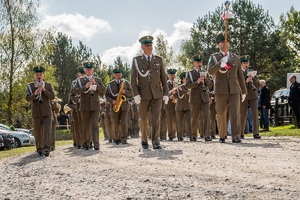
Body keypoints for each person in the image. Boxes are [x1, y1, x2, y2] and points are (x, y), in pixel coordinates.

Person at [130, 35, 169, 149]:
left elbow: (163, 78)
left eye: (150, 45)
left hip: (157, 94)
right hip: (143, 95)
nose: (149, 47)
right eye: (146, 45)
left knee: (156, 118)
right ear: (142, 47)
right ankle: (144, 139)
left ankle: (156, 141)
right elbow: (133, 80)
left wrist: (166, 93)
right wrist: (136, 94)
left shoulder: (158, 60)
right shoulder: (137, 61)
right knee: (143, 119)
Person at [208, 33, 247, 143]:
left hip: (234, 90)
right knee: (221, 113)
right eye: (222, 42)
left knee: (235, 113)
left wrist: (243, 91)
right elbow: (210, 71)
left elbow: (240, 76)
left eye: (226, 42)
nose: (224, 44)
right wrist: (220, 63)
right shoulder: (214, 57)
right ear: (218, 44)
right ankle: (222, 135)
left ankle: (236, 136)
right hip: (220, 90)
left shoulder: (235, 58)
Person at [74, 60, 106, 150]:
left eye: (90, 69)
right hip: (84, 106)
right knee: (85, 125)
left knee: (95, 124)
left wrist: (96, 85)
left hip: (95, 106)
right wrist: (85, 87)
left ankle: (96, 144)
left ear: (93, 70)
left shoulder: (97, 80)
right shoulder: (80, 81)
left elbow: (103, 91)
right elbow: (75, 91)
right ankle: (86, 143)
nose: (89, 71)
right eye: (87, 69)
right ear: (84, 70)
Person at [26, 66, 55, 157]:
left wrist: (44, 90)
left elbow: (52, 97)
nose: (39, 76)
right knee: (38, 131)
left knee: (47, 131)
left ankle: (47, 149)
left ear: (43, 75)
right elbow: (27, 98)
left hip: (46, 112)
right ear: (34, 76)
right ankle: (39, 148)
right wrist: (35, 94)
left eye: (40, 74)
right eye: (37, 74)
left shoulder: (48, 85)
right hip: (36, 112)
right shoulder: (30, 86)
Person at [186, 55, 212, 142]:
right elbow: (188, 85)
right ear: (194, 63)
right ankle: (193, 135)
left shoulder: (205, 72)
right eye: (197, 62)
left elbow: (210, 85)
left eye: (200, 62)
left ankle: (207, 135)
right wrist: (197, 82)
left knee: (206, 116)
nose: (199, 63)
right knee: (194, 117)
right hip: (195, 98)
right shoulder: (190, 73)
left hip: (204, 98)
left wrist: (205, 80)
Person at [105, 67, 132, 144]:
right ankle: (116, 138)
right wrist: (112, 101)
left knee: (124, 123)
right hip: (114, 106)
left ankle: (124, 138)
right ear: (114, 75)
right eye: (116, 74)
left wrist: (125, 91)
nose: (118, 76)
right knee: (115, 123)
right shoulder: (109, 85)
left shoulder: (125, 83)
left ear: (121, 74)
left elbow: (131, 93)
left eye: (119, 74)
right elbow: (106, 96)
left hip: (124, 106)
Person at [239, 55, 261, 139]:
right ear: (241, 64)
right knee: (243, 114)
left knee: (255, 114)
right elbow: (237, 85)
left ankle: (256, 133)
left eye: (247, 63)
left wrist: (254, 78)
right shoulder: (239, 72)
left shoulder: (252, 72)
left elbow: (258, 85)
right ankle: (241, 133)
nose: (246, 64)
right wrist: (245, 81)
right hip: (244, 95)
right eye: (244, 63)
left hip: (253, 95)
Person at [173, 72, 192, 141]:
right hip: (179, 107)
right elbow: (175, 97)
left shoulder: (189, 86)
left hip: (188, 106)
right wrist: (175, 91)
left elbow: (189, 93)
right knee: (179, 122)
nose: (186, 80)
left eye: (187, 78)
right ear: (182, 79)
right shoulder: (178, 86)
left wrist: (182, 90)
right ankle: (179, 136)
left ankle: (191, 136)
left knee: (189, 121)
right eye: (184, 78)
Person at [166, 68, 178, 141]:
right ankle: (170, 135)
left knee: (176, 119)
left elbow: (180, 93)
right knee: (170, 120)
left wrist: (175, 96)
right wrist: (169, 96)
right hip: (169, 104)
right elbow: (163, 92)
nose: (172, 76)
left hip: (176, 103)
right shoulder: (165, 84)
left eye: (173, 74)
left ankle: (175, 133)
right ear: (168, 75)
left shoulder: (177, 84)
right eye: (170, 74)